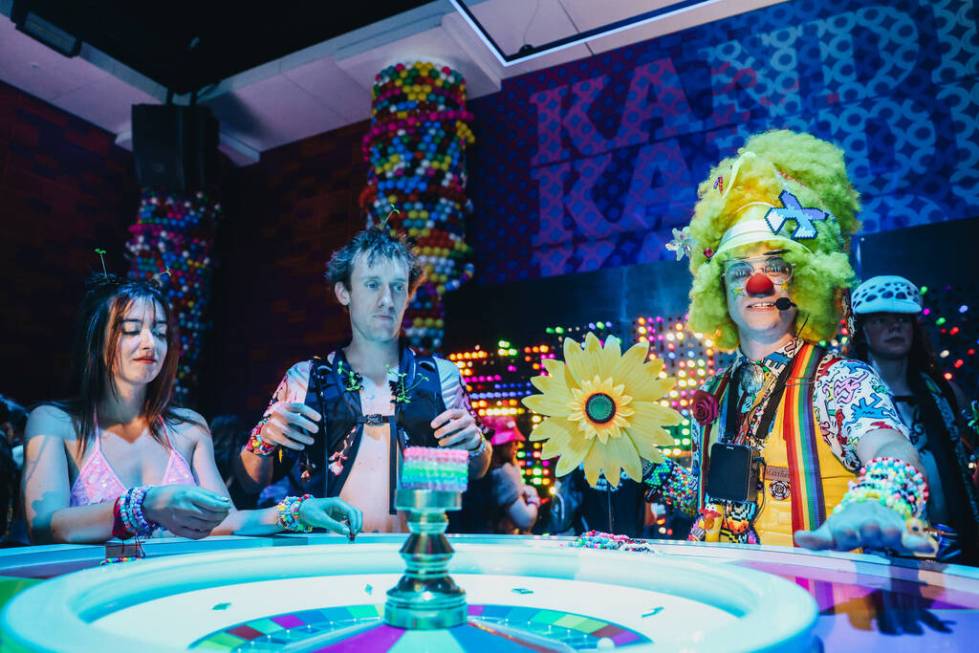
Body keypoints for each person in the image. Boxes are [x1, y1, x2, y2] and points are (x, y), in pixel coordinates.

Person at [644, 130, 933, 554]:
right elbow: (710, 501)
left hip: (826, 608)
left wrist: (881, 497)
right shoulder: (713, 393)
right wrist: (644, 469)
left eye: (775, 267)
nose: (758, 284)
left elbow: (890, 445)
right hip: (739, 603)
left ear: (802, 284)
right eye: (741, 271)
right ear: (720, 290)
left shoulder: (840, 381)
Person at [22, 275, 362, 544]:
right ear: (97, 342)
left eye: (159, 332)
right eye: (131, 330)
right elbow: (45, 526)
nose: (149, 343)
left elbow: (224, 520)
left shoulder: (188, 428)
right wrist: (145, 505)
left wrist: (298, 512)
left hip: (174, 596)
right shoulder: (55, 423)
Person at [236, 227, 491, 533]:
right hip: (330, 557)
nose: (387, 299)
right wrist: (263, 440)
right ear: (345, 292)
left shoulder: (440, 376)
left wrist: (476, 445)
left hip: (415, 556)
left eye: (398, 287)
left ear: (409, 296)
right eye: (372, 285)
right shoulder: (307, 378)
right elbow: (250, 481)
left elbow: (478, 469)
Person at [851, 275, 979, 563]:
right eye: (881, 320)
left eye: (903, 319)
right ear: (862, 330)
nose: (894, 326)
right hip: (886, 549)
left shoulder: (944, 392)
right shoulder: (847, 396)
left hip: (956, 544)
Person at [459, 425, 539, 534]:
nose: (517, 446)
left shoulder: (474, 464)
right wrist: (533, 498)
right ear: (502, 445)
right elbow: (525, 520)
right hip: (498, 539)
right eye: (512, 442)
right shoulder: (504, 472)